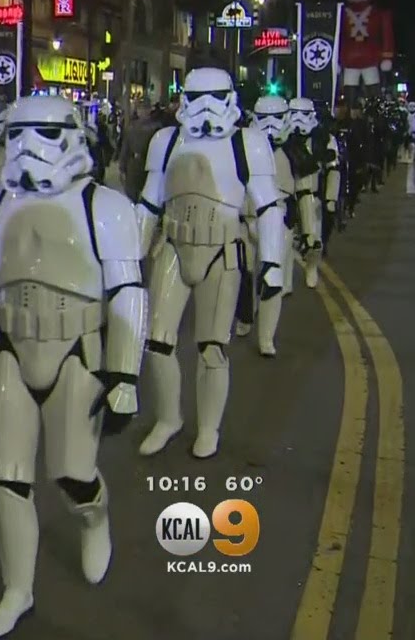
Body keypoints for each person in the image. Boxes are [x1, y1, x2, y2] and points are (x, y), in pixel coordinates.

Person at [0, 96, 148, 638]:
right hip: (9, 344)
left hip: (76, 350)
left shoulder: (106, 206)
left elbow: (127, 291)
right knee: (7, 476)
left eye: (44, 135)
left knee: (72, 474)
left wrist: (125, 374)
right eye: (18, 135)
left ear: (72, 137)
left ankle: (95, 516)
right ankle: (18, 589)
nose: (28, 148)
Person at [135, 66, 286, 459]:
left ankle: (208, 428)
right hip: (173, 244)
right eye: (195, 97)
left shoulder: (247, 144)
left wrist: (271, 262)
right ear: (182, 98)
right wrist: (128, 257)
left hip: (222, 248)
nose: (205, 108)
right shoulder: (166, 141)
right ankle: (169, 418)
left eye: (215, 97)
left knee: (212, 346)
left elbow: (268, 206)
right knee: (157, 341)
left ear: (230, 98)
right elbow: (150, 201)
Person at [235, 96, 297, 358]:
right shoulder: (244, 146)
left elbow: (305, 185)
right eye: (264, 119)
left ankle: (266, 336)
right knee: (243, 273)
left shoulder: (293, 150)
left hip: (276, 219)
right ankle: (246, 317)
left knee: (273, 278)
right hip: (244, 217)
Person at [285, 97, 341, 288]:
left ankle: (311, 267)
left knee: (313, 241)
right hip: (285, 194)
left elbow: (334, 169)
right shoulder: (282, 138)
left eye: (304, 115)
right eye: (294, 114)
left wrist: (331, 198)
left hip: (311, 194)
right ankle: (284, 280)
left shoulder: (324, 139)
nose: (299, 120)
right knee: (283, 240)